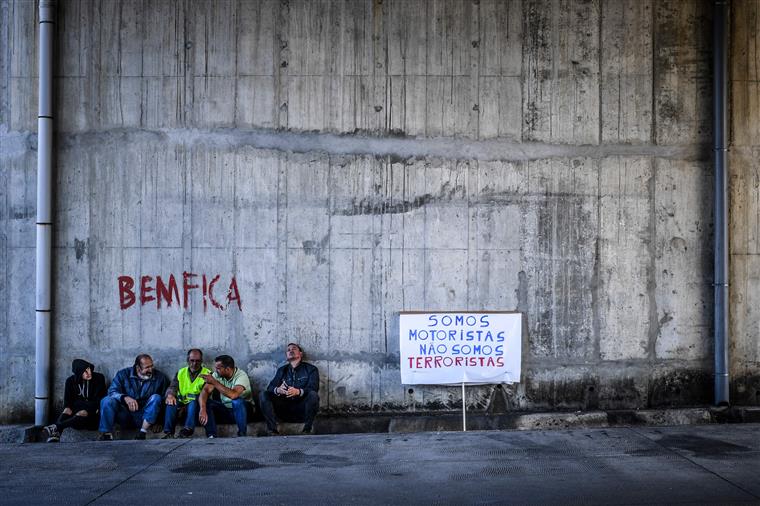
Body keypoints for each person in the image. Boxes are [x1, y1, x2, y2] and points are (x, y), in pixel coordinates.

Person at [98, 354, 169, 440]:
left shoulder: (160, 378)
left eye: (151, 366)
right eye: (147, 367)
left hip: (144, 417)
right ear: (138, 367)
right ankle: (106, 434)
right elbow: (111, 392)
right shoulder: (123, 374)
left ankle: (142, 433)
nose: (150, 370)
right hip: (124, 415)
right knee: (107, 400)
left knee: (156, 397)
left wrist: (159, 421)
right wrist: (124, 398)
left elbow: (164, 401)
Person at [259, 343, 320, 435]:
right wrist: (278, 390)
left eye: (294, 349)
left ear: (301, 353)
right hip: (284, 409)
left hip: (302, 410)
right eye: (288, 350)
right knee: (263, 394)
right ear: (286, 356)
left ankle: (307, 430)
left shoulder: (311, 369)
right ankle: (272, 430)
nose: (291, 351)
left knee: (313, 395)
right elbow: (270, 387)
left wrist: (299, 392)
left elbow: (314, 387)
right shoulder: (282, 370)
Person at [43, 359, 107, 442]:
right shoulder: (70, 381)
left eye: (89, 369)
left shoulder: (99, 378)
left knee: (82, 412)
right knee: (67, 410)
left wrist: (85, 408)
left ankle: (56, 427)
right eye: (85, 371)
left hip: (93, 417)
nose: (89, 373)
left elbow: (99, 400)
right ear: (79, 373)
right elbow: (68, 404)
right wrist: (74, 408)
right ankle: (57, 433)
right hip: (75, 417)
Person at [198, 355, 253, 438]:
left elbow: (233, 395)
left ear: (227, 369)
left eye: (218, 368)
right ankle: (211, 435)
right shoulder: (217, 375)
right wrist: (202, 408)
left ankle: (242, 434)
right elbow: (205, 391)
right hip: (227, 410)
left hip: (244, 411)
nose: (215, 371)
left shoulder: (241, 375)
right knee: (206, 402)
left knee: (237, 401)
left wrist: (214, 382)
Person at [163, 348, 210, 438]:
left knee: (193, 402)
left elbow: (206, 393)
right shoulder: (181, 372)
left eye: (198, 361)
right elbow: (173, 386)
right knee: (171, 402)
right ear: (187, 360)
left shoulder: (207, 373)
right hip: (182, 402)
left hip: (197, 403)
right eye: (192, 360)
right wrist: (170, 395)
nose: (195, 363)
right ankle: (168, 433)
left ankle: (187, 429)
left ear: (202, 361)